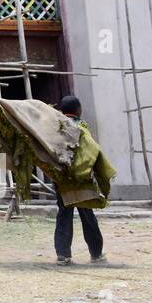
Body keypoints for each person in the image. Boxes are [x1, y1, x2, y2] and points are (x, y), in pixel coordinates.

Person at [54, 95, 106, 266]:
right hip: (82, 176)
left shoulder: (56, 126)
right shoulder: (82, 126)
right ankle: (96, 254)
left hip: (62, 176)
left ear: (61, 111)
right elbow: (90, 151)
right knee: (87, 213)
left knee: (64, 213)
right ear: (78, 110)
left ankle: (63, 255)